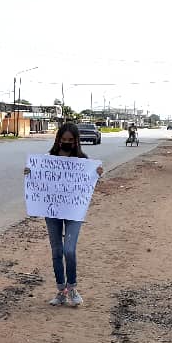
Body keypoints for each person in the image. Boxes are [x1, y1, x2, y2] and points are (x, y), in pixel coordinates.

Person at [25, 122, 104, 307]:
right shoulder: (48, 160)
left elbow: (87, 187)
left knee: (69, 249)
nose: (66, 142)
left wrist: (97, 175)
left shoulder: (84, 161)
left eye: (70, 139)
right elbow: (37, 180)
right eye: (64, 139)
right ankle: (61, 290)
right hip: (52, 210)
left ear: (76, 141)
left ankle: (73, 287)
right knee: (57, 251)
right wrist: (30, 173)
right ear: (58, 139)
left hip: (73, 211)